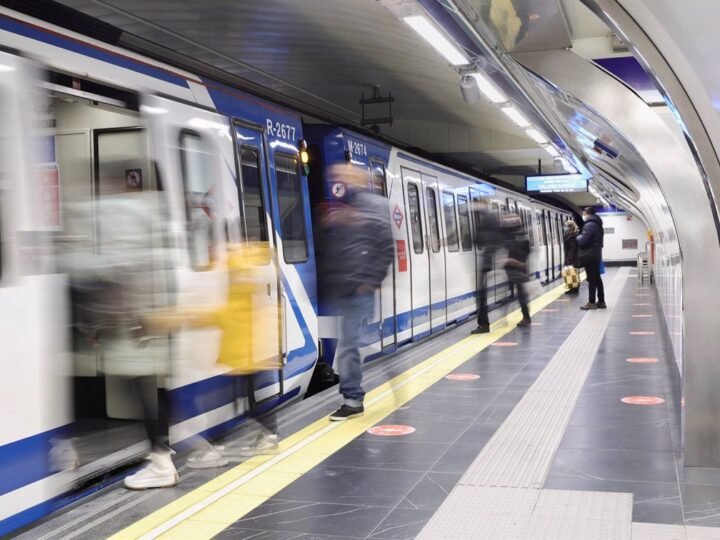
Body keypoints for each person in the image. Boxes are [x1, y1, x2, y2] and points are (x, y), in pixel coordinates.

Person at [316, 164, 394, 422]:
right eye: (336, 176)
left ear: (359, 178)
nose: (338, 179)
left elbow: (384, 247)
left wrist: (370, 281)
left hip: (359, 288)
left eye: (344, 175)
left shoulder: (374, 206)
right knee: (351, 343)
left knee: (349, 345)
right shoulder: (341, 206)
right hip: (342, 287)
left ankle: (353, 399)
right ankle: (365, 389)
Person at [470, 199, 501, 334]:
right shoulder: (490, 217)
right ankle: (483, 323)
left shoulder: (489, 218)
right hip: (489, 258)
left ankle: (484, 324)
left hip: (488, 260)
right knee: (481, 293)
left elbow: (481, 239)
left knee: (481, 293)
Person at [501, 213, 532, 327]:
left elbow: (517, 250)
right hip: (518, 267)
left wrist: (510, 261)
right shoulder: (521, 233)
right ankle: (524, 316)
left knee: (521, 294)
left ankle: (526, 317)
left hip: (517, 268)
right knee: (519, 293)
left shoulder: (518, 235)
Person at [576, 207, 606, 310]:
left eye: (584, 214)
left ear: (587, 214)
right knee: (597, 278)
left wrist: (577, 236)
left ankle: (591, 302)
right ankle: (601, 301)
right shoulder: (598, 224)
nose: (583, 216)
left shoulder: (589, 225)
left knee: (592, 279)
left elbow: (583, 241)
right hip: (596, 255)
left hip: (589, 255)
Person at [562, 220, 580, 295]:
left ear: (570, 227)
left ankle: (574, 288)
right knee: (573, 272)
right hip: (572, 256)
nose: (566, 227)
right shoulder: (572, 234)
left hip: (573, 257)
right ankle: (573, 287)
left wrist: (570, 259)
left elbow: (572, 248)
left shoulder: (573, 235)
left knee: (573, 272)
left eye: (567, 226)